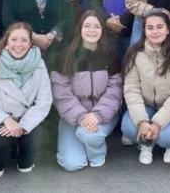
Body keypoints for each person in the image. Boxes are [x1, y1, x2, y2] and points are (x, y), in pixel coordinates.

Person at [0, 22, 53, 178]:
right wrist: (5, 120)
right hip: (4, 120)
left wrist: (24, 125)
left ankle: (24, 157)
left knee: (38, 137)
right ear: (6, 42)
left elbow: (44, 101)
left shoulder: (39, 63)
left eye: (24, 40)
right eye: (14, 39)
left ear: (31, 43)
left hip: (27, 119)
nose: (19, 44)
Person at [50, 11, 123, 171]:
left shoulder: (110, 56)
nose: (92, 30)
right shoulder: (65, 57)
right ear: (79, 29)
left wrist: (97, 115)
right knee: (72, 163)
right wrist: (81, 117)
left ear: (102, 30)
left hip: (103, 113)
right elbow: (61, 95)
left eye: (97, 26)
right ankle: (82, 145)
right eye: (87, 25)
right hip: (73, 115)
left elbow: (114, 92)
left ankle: (97, 154)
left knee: (89, 135)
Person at [121, 10, 170, 165]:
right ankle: (146, 144)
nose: (155, 31)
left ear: (168, 30)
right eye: (150, 28)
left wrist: (157, 123)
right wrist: (142, 121)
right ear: (144, 31)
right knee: (128, 127)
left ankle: (169, 144)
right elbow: (131, 89)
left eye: (160, 27)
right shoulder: (135, 54)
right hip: (147, 105)